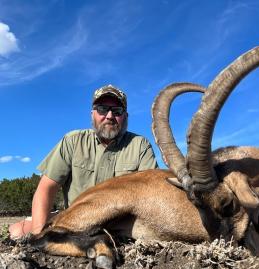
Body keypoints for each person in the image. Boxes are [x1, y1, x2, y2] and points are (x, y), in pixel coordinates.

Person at [9, 84, 158, 239]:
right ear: (92, 114)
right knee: (17, 232)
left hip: (120, 225)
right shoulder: (73, 141)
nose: (109, 116)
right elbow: (46, 188)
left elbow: (151, 193)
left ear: (125, 116)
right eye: (102, 109)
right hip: (75, 221)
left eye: (117, 111)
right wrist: (38, 235)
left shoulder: (140, 145)